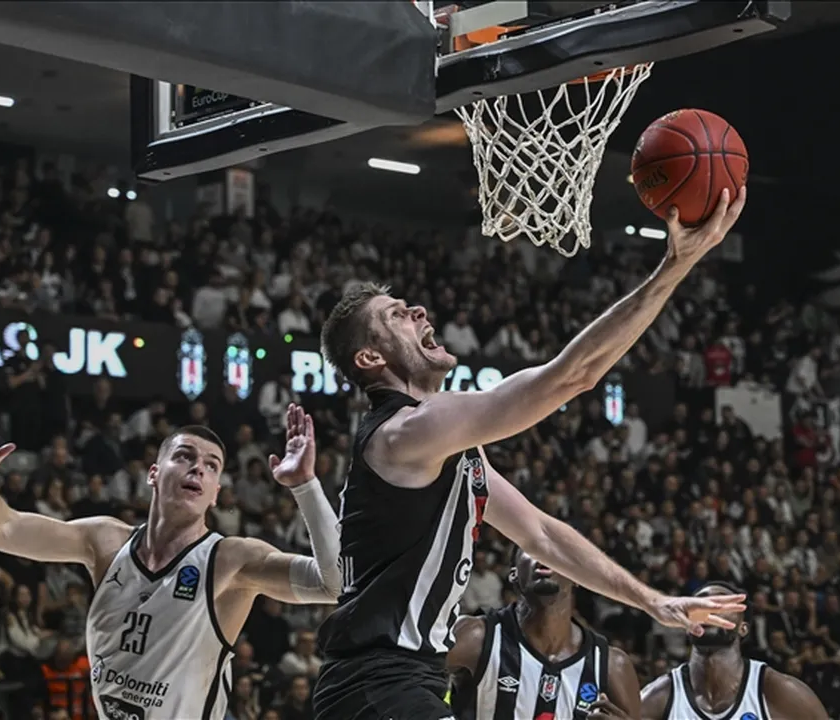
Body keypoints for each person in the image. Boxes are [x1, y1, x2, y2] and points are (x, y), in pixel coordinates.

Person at [312, 190, 749, 720]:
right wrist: (673, 268)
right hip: (377, 681)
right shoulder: (407, 430)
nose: (418, 311)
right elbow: (573, 375)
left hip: (397, 681)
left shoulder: (446, 448)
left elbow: (540, 534)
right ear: (370, 357)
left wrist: (655, 601)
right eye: (398, 316)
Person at [0, 390, 341, 720]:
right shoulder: (105, 542)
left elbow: (333, 584)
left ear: (216, 493)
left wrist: (305, 485)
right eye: (185, 456)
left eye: (212, 466)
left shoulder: (230, 559)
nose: (198, 469)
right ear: (153, 473)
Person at [448, 547, 641, 719]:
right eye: (533, 548)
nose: (545, 555)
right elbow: (418, 681)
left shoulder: (612, 666)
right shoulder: (475, 637)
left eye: (557, 550)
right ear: (513, 573)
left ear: (577, 576)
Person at [591, 584, 827, 720]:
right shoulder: (658, 697)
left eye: (722, 603)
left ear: (743, 627)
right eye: (700, 603)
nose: (709, 608)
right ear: (685, 625)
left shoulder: (778, 691)